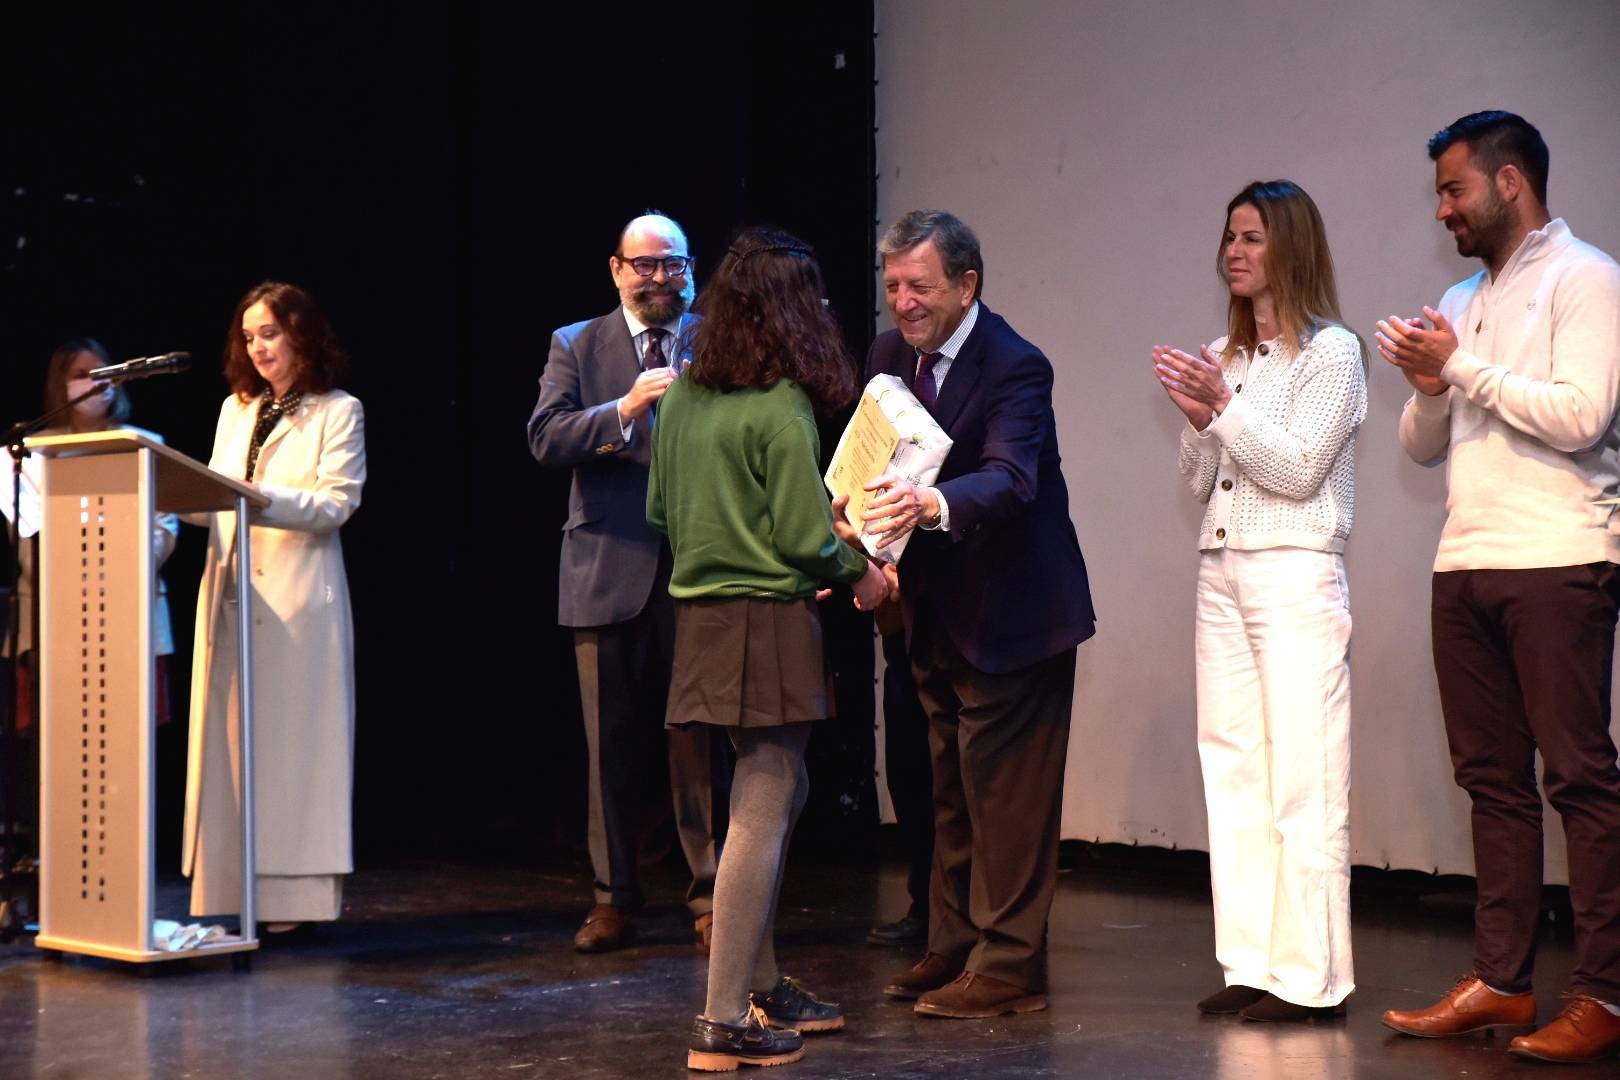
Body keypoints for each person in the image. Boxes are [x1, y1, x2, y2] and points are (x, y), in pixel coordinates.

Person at [1377, 111, 1620, 1065]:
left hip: (1558, 556)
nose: (1444, 210)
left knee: (1578, 779)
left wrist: (1460, 368)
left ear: (1509, 182)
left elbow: (1582, 415)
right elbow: (1419, 445)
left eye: (1454, 190)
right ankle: (1503, 982)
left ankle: (1601, 992)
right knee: (1492, 783)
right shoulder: (1462, 294)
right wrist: (1433, 384)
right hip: (1465, 560)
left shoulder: (1587, 278)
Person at [649, 226, 888, 1071]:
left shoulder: (679, 400)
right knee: (766, 794)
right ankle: (722, 1019)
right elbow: (800, 536)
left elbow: (659, 515)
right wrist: (856, 569)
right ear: (789, 313)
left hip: (699, 621)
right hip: (766, 620)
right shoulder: (781, 404)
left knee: (779, 794)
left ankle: (764, 980)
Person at [861, 210, 1095, 1019]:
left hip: (1017, 617)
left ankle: (1009, 965)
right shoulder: (889, 357)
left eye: (920, 286)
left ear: (967, 284)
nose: (903, 302)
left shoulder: (1015, 365)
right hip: (932, 612)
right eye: (892, 286)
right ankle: (954, 943)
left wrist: (928, 505)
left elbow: (1011, 480)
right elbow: (869, 468)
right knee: (951, 792)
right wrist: (860, 542)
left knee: (1010, 802)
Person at [1152, 180, 1365, 1022]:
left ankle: (1310, 977)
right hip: (1223, 568)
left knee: (1302, 776)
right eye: (1230, 237)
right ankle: (1250, 963)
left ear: (1290, 248)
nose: (1235, 252)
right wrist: (1201, 419)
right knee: (1233, 766)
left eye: (1252, 237)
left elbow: (1298, 469)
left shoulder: (1333, 353)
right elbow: (1202, 479)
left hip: (1295, 569)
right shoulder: (1227, 356)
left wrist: (1225, 411)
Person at [528, 212, 729, 954]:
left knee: (697, 743)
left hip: (697, 570)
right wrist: (625, 409)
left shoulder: (715, 337)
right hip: (604, 568)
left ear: (690, 268)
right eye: (642, 265)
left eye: (670, 265)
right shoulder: (577, 343)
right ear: (616, 270)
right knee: (608, 746)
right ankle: (613, 898)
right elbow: (545, 437)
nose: (656, 278)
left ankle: (710, 898)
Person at [184, 281, 366, 930]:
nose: (258, 347)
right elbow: (213, 489)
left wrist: (251, 497)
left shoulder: (338, 410)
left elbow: (336, 505)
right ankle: (227, 894)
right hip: (232, 596)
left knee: (293, 755)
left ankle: (293, 906)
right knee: (230, 751)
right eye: (250, 335)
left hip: (296, 604)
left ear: (301, 335)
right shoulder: (236, 409)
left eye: (271, 333)